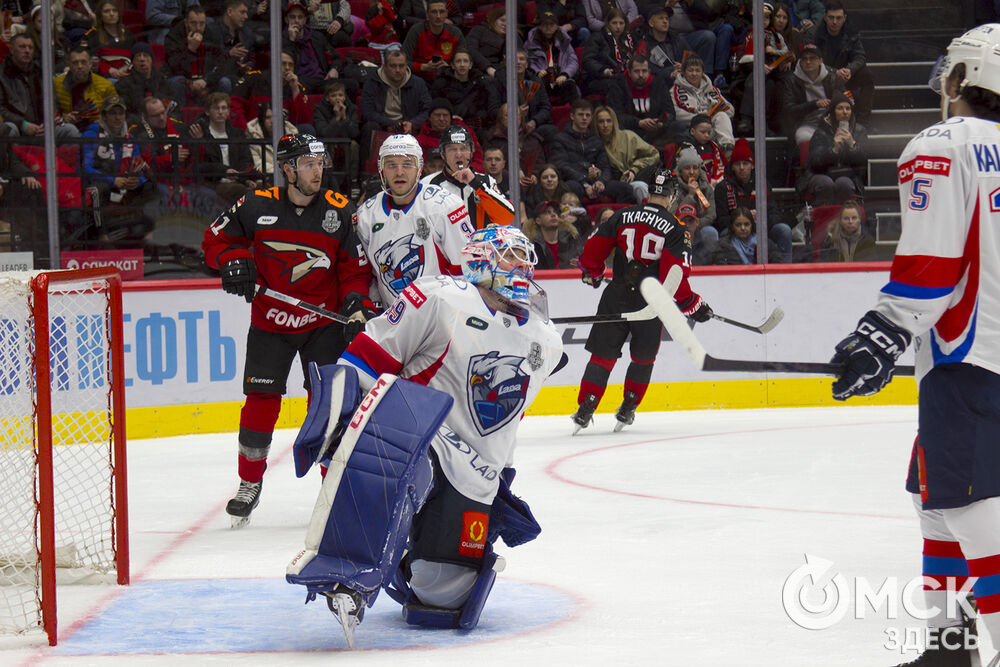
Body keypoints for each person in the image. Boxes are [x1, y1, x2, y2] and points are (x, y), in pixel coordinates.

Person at [285, 225, 563, 647]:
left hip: (476, 470)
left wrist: (502, 478)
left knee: (439, 599)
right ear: (482, 259)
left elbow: (508, 419)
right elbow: (363, 360)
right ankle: (346, 571)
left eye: (526, 257)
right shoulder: (439, 297)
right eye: (511, 255)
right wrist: (338, 426)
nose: (522, 266)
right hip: (419, 437)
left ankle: (406, 561)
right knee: (400, 467)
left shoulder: (545, 339)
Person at [829, 24, 1000, 667]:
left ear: (968, 78)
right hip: (982, 358)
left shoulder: (945, 143)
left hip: (967, 358)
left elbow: (931, 265)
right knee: (932, 498)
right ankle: (950, 648)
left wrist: (884, 330)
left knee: (969, 504)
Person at [201, 134, 372, 527]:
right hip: (270, 324)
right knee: (261, 402)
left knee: (330, 408)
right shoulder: (255, 203)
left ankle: (332, 488)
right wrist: (233, 258)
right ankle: (249, 482)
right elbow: (214, 241)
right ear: (289, 169)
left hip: (323, 325)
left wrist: (355, 302)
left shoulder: (339, 211)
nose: (318, 170)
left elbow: (354, 269)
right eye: (309, 164)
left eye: (320, 163)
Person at [572, 165, 711, 432]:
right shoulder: (676, 228)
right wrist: (693, 305)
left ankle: (586, 406)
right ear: (672, 196)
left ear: (648, 192)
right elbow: (676, 276)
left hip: (616, 295)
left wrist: (594, 271)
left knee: (602, 356)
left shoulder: (622, 216)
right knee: (643, 358)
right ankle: (627, 408)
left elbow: (593, 248)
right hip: (651, 303)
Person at [354, 133, 474, 308]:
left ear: (419, 167)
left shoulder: (444, 206)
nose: (399, 172)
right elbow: (369, 275)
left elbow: (466, 267)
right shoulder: (366, 214)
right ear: (382, 170)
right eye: (391, 165)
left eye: (407, 164)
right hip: (394, 319)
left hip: (441, 316)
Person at [81, 95, 153, 244]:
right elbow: (86, 168)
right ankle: (102, 237)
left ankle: (150, 233)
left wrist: (136, 180)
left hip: (122, 182)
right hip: (98, 181)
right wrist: (113, 180)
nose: (117, 118)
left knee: (150, 185)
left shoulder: (130, 138)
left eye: (121, 113)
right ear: (104, 116)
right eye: (112, 113)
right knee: (97, 190)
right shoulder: (91, 135)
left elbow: (138, 165)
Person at [712, 137, 792, 262]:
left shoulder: (763, 184)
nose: (742, 168)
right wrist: (743, 219)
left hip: (760, 229)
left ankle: (786, 271)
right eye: (738, 164)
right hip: (735, 230)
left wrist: (761, 219)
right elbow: (721, 220)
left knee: (783, 230)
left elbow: (775, 213)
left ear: (752, 165)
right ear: (732, 167)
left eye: (745, 163)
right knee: (723, 234)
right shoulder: (722, 188)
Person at [421, 125, 515, 230]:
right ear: (443, 155)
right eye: (452, 149)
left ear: (471, 153)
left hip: (480, 245)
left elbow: (507, 217)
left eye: (464, 148)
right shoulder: (428, 183)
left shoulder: (486, 181)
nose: (459, 155)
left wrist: (475, 183)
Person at [550, 98, 634, 204]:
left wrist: (601, 181)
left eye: (588, 115)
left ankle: (619, 218)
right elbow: (562, 165)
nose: (584, 118)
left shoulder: (596, 140)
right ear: (572, 116)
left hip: (594, 182)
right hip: (575, 182)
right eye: (580, 115)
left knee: (626, 188)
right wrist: (585, 182)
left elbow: (606, 167)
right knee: (572, 187)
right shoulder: (560, 139)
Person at [802, 0, 873, 123]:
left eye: (838, 18)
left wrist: (849, 70)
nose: (835, 22)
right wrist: (835, 72)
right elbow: (810, 60)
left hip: (846, 75)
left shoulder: (851, 32)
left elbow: (860, 56)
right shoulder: (813, 34)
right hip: (822, 76)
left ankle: (862, 123)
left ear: (844, 18)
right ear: (825, 17)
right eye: (831, 18)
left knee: (866, 75)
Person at [0, 34, 80, 140]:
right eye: (22, 47)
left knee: (70, 130)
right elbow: (1, 109)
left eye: (30, 47)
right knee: (9, 129)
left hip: (43, 127)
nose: (27, 51)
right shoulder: (2, 74)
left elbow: (53, 102)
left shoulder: (41, 72)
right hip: (19, 127)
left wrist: (49, 122)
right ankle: (10, 157)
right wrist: (23, 125)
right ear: (12, 50)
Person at [359, 49, 432, 161]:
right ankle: (367, 173)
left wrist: (413, 123)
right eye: (393, 66)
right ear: (384, 66)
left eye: (401, 66)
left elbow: (428, 110)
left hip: (409, 125)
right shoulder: (373, 82)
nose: (397, 70)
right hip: (382, 125)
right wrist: (392, 123)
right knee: (369, 127)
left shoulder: (418, 83)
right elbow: (367, 111)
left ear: (406, 66)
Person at [189, 91, 256, 205]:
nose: (220, 112)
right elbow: (201, 165)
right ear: (207, 112)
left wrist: (246, 179)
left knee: (264, 188)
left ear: (228, 111)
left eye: (224, 108)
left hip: (238, 181)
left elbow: (246, 159)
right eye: (216, 108)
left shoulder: (237, 134)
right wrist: (224, 170)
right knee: (241, 191)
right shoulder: (202, 135)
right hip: (214, 182)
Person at [801, 91, 867, 205]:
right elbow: (815, 163)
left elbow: (863, 163)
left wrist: (852, 145)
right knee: (825, 183)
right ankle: (822, 219)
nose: (845, 112)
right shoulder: (821, 132)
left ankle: (846, 219)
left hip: (849, 175)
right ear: (832, 112)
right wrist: (834, 149)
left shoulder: (859, 131)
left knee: (844, 183)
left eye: (848, 108)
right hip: (821, 174)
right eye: (840, 108)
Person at [592, 105, 661, 203]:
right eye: (601, 121)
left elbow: (654, 154)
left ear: (614, 122)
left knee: (640, 187)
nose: (605, 125)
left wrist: (634, 169)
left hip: (631, 179)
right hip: (607, 184)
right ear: (596, 124)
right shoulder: (592, 143)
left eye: (608, 121)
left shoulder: (628, 137)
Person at [780, 40, 842, 145]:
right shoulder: (791, 80)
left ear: (820, 61)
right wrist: (815, 104)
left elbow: (847, 99)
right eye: (804, 59)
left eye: (812, 58)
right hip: (805, 124)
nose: (808, 62)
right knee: (803, 138)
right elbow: (789, 110)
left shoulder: (832, 77)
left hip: (831, 123)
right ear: (800, 62)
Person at [164, 6, 230, 104]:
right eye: (193, 23)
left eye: (202, 23)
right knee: (176, 82)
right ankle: (178, 117)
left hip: (205, 79)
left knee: (225, 82)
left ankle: (220, 115)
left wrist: (206, 80)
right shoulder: (173, 37)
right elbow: (175, 68)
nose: (198, 28)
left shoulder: (212, 35)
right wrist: (190, 49)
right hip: (184, 79)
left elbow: (221, 64)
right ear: (186, 22)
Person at [606, 54, 676, 147]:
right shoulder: (618, 85)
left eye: (644, 71)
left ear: (649, 71)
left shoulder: (659, 84)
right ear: (629, 72)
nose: (641, 75)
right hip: (631, 129)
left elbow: (670, 112)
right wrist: (639, 123)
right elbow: (616, 115)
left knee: (677, 127)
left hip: (656, 129)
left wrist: (661, 123)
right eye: (637, 71)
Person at [671, 54, 735, 154]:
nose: (694, 74)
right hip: (693, 131)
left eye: (697, 70)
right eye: (690, 70)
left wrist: (714, 112)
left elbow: (730, 110)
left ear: (702, 72)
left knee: (722, 116)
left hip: (713, 129)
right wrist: (701, 119)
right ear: (683, 72)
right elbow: (676, 114)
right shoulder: (674, 90)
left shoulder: (712, 89)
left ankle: (728, 151)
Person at [54, 46, 118, 134]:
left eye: (83, 62)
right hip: (67, 131)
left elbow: (115, 114)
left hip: (97, 131)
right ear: (69, 64)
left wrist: (95, 117)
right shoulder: (56, 84)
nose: (79, 66)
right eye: (75, 63)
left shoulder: (106, 85)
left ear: (90, 64)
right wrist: (64, 118)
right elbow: (49, 113)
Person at [525, 11, 580, 107]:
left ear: (557, 26)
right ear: (539, 26)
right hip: (542, 80)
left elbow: (573, 61)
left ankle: (576, 112)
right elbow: (527, 61)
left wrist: (565, 74)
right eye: (545, 24)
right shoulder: (531, 42)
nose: (548, 27)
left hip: (560, 79)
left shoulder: (564, 40)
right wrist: (537, 71)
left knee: (570, 84)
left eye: (552, 24)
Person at [401, 0, 466, 82]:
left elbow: (465, 60)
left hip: (449, 79)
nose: (438, 16)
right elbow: (402, 61)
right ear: (427, 15)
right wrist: (423, 67)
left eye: (442, 12)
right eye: (434, 12)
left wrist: (449, 67)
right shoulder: (416, 31)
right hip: (420, 79)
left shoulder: (455, 33)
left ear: (446, 14)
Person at [312, 80, 360, 189]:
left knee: (354, 146)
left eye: (340, 95)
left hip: (346, 141)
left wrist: (345, 118)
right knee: (328, 146)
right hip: (328, 141)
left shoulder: (351, 109)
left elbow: (355, 133)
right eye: (333, 96)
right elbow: (323, 132)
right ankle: (329, 183)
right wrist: (337, 119)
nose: (338, 99)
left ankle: (352, 182)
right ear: (327, 98)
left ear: (344, 97)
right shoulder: (319, 109)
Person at [428, 49, 490, 131]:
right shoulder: (441, 83)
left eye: (465, 61)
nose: (462, 65)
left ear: (470, 65)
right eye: (458, 61)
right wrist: (450, 117)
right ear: (452, 65)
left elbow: (484, 107)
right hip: (448, 125)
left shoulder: (480, 83)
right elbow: (436, 105)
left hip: (474, 126)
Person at [415, 98, 483, 171]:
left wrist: (467, 172)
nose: (441, 119)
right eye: (437, 115)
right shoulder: (420, 141)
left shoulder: (466, 134)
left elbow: (478, 160)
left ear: (451, 118)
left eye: (445, 115)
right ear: (430, 118)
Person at [580, 8, 635, 97]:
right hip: (596, 79)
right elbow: (587, 61)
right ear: (608, 23)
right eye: (614, 23)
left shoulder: (629, 39)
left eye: (621, 23)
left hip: (621, 77)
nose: (618, 27)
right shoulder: (597, 37)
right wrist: (604, 70)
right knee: (618, 85)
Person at [115, 42, 176, 117]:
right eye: (138, 56)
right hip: (137, 123)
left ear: (152, 60)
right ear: (132, 62)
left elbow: (172, 105)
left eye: (145, 55)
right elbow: (126, 113)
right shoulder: (123, 85)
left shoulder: (162, 81)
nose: (142, 59)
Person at [80, 0, 135, 82]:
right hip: (102, 79)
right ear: (100, 15)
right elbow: (83, 58)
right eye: (107, 11)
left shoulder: (129, 35)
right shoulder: (92, 35)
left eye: (114, 10)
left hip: (127, 78)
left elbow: (136, 58)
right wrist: (107, 69)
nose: (112, 14)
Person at [522, 199, 584, 268]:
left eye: (555, 212)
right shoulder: (533, 245)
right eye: (547, 212)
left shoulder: (571, 237)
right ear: (538, 221)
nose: (553, 214)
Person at [631, 6, 688, 82]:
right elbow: (645, 70)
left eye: (667, 18)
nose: (665, 21)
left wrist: (684, 67)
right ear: (651, 23)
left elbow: (692, 58)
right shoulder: (644, 44)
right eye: (661, 18)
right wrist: (669, 73)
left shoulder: (677, 39)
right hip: (657, 87)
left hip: (682, 82)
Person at [710, 206, 784, 265]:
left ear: (752, 225)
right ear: (732, 226)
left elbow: (778, 261)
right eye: (738, 225)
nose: (743, 228)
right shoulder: (722, 246)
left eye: (746, 224)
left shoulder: (764, 243)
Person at [246, 102, 299, 183]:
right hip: (266, 179)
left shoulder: (291, 133)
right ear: (262, 120)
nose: (272, 121)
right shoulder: (253, 135)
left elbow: (296, 159)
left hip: (289, 176)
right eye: (268, 117)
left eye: (275, 117)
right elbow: (258, 164)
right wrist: (281, 172)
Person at [467, 7, 518, 79]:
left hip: (499, 71)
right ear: (493, 20)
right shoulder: (479, 29)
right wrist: (487, 68)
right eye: (502, 20)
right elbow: (471, 49)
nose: (505, 24)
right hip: (478, 70)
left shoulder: (512, 37)